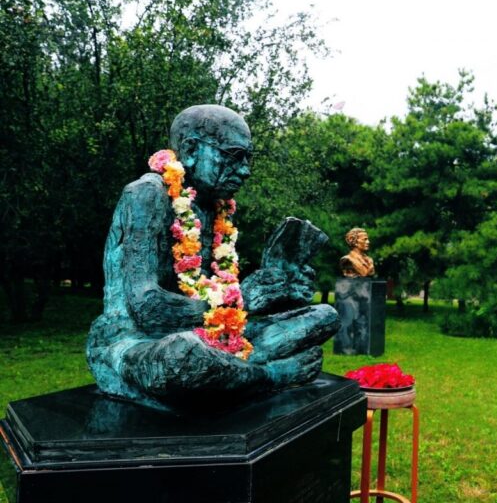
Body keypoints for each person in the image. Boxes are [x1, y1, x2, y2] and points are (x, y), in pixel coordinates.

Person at [87, 105, 338, 410]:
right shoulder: (146, 194)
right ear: (191, 151)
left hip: (211, 334)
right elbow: (147, 307)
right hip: (136, 342)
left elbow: (215, 293)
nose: (245, 170)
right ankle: (269, 373)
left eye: (248, 159)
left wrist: (279, 292)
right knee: (184, 357)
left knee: (324, 316)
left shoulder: (215, 207)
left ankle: (233, 370)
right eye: (234, 156)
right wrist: (242, 300)